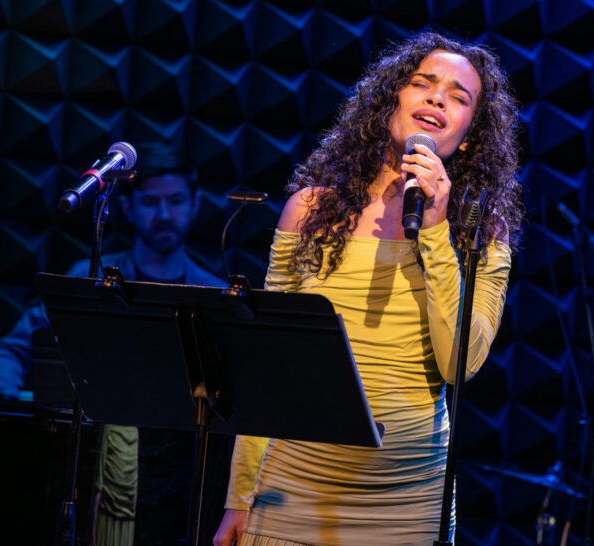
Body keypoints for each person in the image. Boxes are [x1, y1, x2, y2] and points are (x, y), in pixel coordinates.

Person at [212, 32, 523, 545]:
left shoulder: (482, 233)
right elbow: (269, 365)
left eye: (458, 96)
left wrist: (437, 232)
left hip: (408, 504)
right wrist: (239, 496)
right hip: (294, 489)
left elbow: (459, 364)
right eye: (423, 83)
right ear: (389, 102)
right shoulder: (310, 211)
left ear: (469, 136)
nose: (437, 98)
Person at [0, 142, 228, 546]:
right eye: (150, 202)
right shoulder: (89, 275)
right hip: (88, 471)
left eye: (176, 201)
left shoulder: (213, 294)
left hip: (179, 492)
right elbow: (9, 351)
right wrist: (12, 418)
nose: (164, 215)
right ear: (127, 208)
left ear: (195, 205)